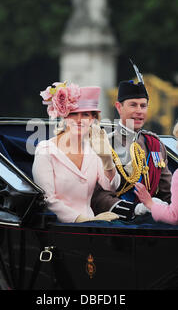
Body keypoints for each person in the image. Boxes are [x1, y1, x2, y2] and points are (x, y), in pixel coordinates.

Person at [32, 81, 120, 223]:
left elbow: (111, 187)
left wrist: (106, 159)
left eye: (85, 114)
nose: (79, 120)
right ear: (64, 117)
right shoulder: (46, 150)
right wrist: (82, 220)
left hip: (91, 227)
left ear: (92, 119)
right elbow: (47, 199)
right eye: (73, 114)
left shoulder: (94, 150)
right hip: (59, 228)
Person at [90, 79, 172, 217]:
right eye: (133, 105)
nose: (139, 111)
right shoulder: (105, 144)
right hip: (117, 223)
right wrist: (135, 209)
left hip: (152, 222)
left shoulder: (155, 145)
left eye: (143, 106)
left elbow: (167, 191)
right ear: (119, 107)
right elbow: (98, 196)